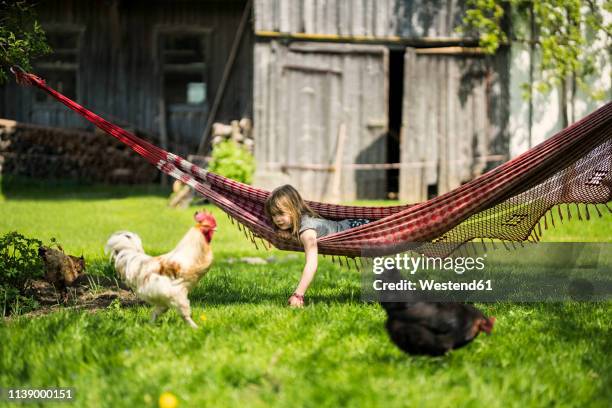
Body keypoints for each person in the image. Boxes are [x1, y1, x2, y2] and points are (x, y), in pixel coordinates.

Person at [264, 185, 370, 307]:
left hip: (361, 230)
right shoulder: (299, 220)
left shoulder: (307, 232)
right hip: (352, 224)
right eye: (274, 215)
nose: (277, 219)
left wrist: (298, 294)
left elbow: (311, 263)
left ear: (294, 208)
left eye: (281, 213)